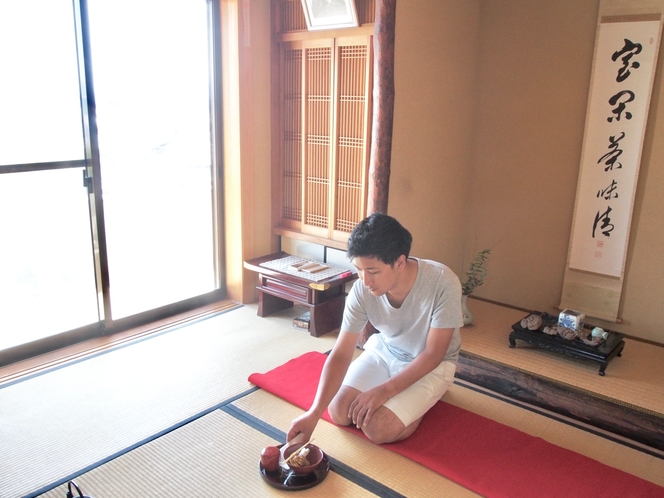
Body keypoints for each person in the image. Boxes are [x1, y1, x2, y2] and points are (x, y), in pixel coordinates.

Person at [287, 213, 463, 445]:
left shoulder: (443, 282)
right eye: (359, 270)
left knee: (378, 428)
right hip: (385, 351)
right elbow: (341, 353)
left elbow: (434, 354)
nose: (365, 280)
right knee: (339, 411)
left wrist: (384, 391)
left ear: (400, 261)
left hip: (431, 365)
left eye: (373, 271)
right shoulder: (362, 290)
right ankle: (403, 400)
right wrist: (314, 413)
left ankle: (424, 401)